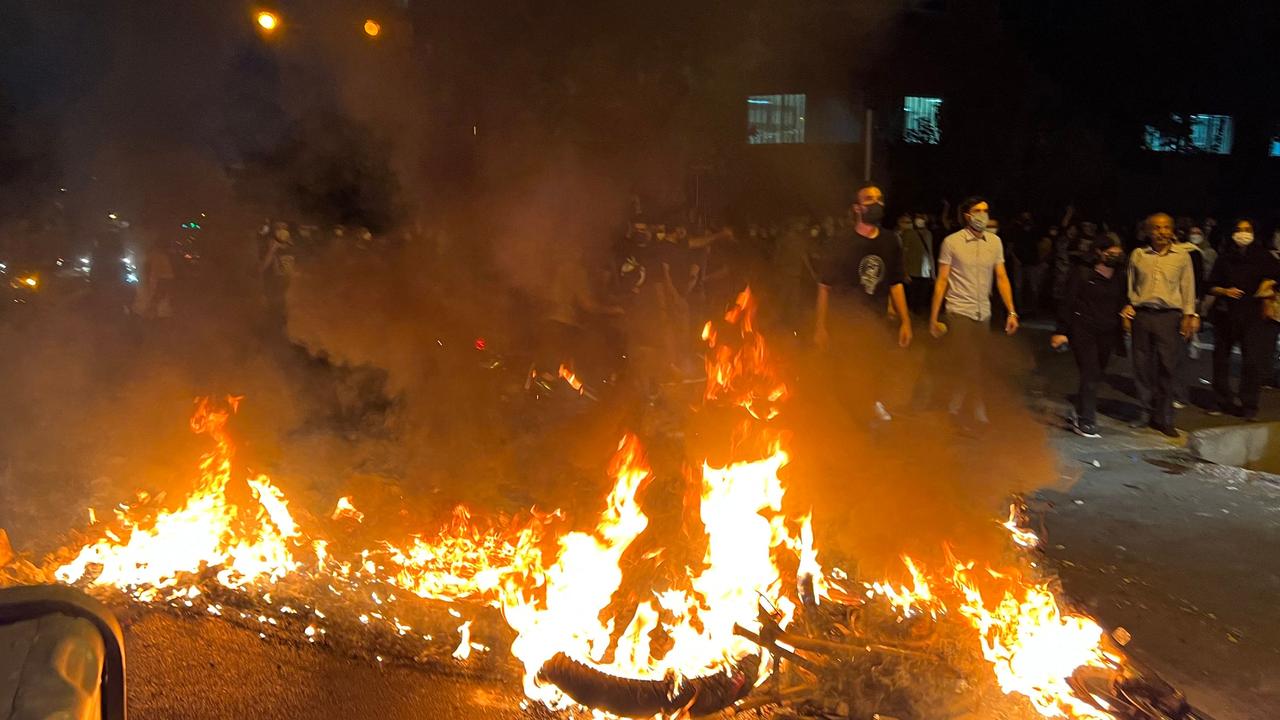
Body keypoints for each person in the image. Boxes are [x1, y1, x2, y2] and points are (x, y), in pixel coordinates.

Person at [814, 182, 912, 421]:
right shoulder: (840, 242)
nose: (876, 203)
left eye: (879, 199)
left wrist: (905, 321)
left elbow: (896, 283)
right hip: (845, 320)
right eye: (869, 199)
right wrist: (820, 326)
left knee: (875, 366)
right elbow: (824, 286)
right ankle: (849, 419)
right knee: (848, 371)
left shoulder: (891, 241)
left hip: (876, 319)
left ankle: (868, 408)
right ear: (857, 208)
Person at [929, 196, 1019, 426]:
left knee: (976, 360)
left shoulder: (995, 243)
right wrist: (933, 317)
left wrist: (1011, 311)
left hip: (983, 312)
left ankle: (956, 403)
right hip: (959, 310)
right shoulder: (952, 242)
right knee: (969, 360)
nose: (982, 214)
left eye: (985, 210)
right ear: (967, 215)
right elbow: (942, 280)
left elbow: (1001, 277)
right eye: (977, 210)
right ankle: (975, 408)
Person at [1122, 213, 1199, 437]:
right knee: (1142, 365)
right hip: (1143, 315)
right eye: (1156, 228)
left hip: (1169, 317)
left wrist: (1189, 315)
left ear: (1172, 230)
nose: (1162, 232)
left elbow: (1188, 286)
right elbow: (1131, 284)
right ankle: (1145, 412)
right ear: (1148, 231)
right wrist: (1129, 308)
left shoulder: (1182, 256)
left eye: (1166, 227)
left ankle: (1164, 418)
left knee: (1168, 366)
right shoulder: (1138, 255)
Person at [1051, 237, 1128, 437]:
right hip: (1083, 330)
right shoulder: (1082, 273)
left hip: (1108, 332)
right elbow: (1068, 302)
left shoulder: (1120, 276)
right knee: (1090, 372)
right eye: (1110, 252)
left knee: (1097, 373)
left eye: (1117, 253)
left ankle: (1080, 410)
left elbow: (1124, 300)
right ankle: (1086, 419)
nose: (1114, 256)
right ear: (1099, 252)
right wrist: (1061, 331)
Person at [1205, 219, 1280, 420]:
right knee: (1220, 360)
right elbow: (1210, 285)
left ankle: (1249, 405)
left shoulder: (1263, 256)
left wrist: (1268, 286)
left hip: (1254, 317)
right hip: (1226, 315)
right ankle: (1222, 400)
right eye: (1239, 229)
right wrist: (1224, 291)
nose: (1243, 233)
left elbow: (1277, 278)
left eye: (1247, 230)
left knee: (1252, 362)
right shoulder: (1225, 257)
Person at [1169, 228, 1208, 410]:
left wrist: (1194, 313)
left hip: (1183, 308)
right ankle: (1167, 392)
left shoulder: (1192, 253)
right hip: (1167, 308)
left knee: (1179, 354)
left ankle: (1180, 394)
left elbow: (1197, 285)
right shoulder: (1160, 255)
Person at [896, 213, 935, 313]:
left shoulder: (928, 234)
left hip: (926, 273)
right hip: (913, 273)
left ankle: (919, 322)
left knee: (922, 301)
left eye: (922, 218)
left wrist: (933, 273)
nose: (920, 220)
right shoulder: (908, 234)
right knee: (911, 301)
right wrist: (905, 273)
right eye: (918, 218)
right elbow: (903, 254)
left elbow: (930, 253)